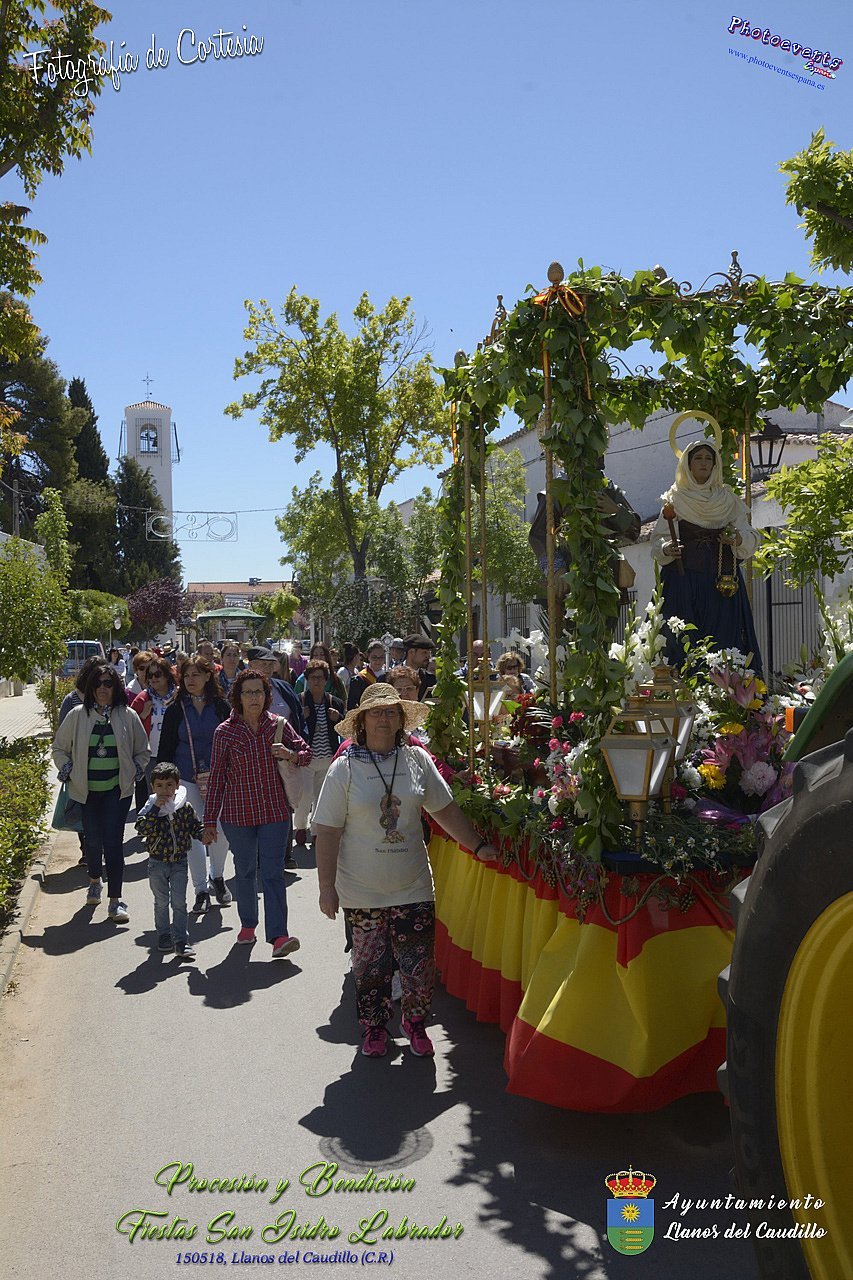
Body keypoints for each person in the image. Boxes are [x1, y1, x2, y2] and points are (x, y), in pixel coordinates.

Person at [313, 683, 500, 1058]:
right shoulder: (344, 768)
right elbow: (328, 831)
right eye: (376, 712)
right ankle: (374, 1028)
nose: (384, 719)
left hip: (412, 884)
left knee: (418, 965)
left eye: (391, 712)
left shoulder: (417, 760)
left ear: (401, 720)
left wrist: (477, 845)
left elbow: (444, 810)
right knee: (370, 967)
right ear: (362, 722)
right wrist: (326, 888)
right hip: (362, 890)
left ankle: (415, 1024)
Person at [202, 669, 312, 958]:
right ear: (237, 697)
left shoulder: (278, 725)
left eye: (259, 692)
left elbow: (307, 753)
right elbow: (217, 779)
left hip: (275, 812)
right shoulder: (225, 732)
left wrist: (288, 754)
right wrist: (209, 821)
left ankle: (278, 936)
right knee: (246, 871)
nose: (255, 698)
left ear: (267, 696)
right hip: (238, 815)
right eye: (248, 692)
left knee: (273, 873)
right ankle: (248, 925)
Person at [651, 439, 762, 673]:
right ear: (688, 464)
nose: (703, 463)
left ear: (715, 465)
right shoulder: (674, 499)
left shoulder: (728, 500)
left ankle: (725, 692)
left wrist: (737, 539)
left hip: (722, 587)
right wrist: (667, 548)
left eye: (708, 458)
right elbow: (658, 539)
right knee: (682, 643)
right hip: (683, 584)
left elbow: (750, 535)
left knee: (725, 643)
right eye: (698, 458)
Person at [52, 663, 149, 923]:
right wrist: (67, 769)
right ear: (90, 688)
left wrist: (136, 769)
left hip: (117, 792)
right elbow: (59, 748)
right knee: (93, 841)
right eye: (97, 684)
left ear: (115, 687)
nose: (102, 688)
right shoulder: (77, 715)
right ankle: (95, 880)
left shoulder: (127, 715)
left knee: (113, 843)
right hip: (87, 792)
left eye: (107, 683)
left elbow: (143, 750)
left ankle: (116, 900)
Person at [156, 656, 233, 913]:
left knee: (220, 829)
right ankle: (200, 889)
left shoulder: (221, 707)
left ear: (208, 676)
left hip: (219, 779)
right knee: (194, 834)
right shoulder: (176, 709)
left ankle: (217, 876)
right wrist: (163, 785)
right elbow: (165, 748)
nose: (190, 680)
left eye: (196, 675)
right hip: (186, 779)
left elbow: (233, 741)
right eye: (186, 675)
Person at [136, 761, 204, 959]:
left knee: (179, 903)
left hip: (179, 862)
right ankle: (164, 934)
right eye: (159, 785)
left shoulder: (184, 807)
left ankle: (181, 940)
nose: (164, 790)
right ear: (152, 787)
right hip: (157, 863)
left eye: (169, 785)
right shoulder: (150, 807)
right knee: (161, 902)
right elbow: (142, 828)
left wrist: (204, 835)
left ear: (177, 785)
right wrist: (155, 811)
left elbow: (195, 827)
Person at [292, 659, 345, 846]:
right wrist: (301, 717)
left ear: (326, 680)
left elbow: (345, 727)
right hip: (306, 758)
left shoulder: (334, 702)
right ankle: (300, 826)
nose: (317, 681)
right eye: (313, 677)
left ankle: (316, 831)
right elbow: (290, 728)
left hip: (328, 757)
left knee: (321, 798)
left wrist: (338, 717)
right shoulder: (299, 701)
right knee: (305, 794)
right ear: (307, 679)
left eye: (320, 677)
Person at [129, 657, 176, 790]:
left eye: (158, 674)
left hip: (174, 753)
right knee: (156, 793)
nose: (153, 678)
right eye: (150, 675)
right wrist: (143, 715)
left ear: (167, 675)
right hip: (150, 756)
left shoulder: (178, 696)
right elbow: (129, 726)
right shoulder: (143, 698)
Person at [346, 639, 387, 710]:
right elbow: (351, 706)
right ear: (368, 657)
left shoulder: (388, 676)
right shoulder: (359, 679)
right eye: (374, 657)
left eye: (381, 657)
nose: (378, 660)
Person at [401, 634, 436, 700]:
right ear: (411, 652)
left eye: (429, 653)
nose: (428, 657)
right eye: (424, 653)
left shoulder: (430, 680)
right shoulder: (388, 678)